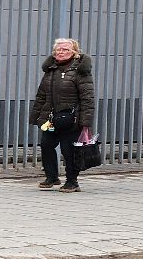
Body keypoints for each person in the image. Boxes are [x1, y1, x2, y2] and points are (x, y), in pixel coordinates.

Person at [30, 38, 95, 193]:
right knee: (46, 145)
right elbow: (41, 96)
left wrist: (85, 120)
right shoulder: (50, 70)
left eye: (65, 49)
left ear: (74, 52)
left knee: (69, 150)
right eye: (58, 49)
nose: (60, 52)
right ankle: (51, 177)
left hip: (71, 119)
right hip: (51, 119)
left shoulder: (80, 71)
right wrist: (36, 116)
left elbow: (87, 97)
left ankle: (72, 181)